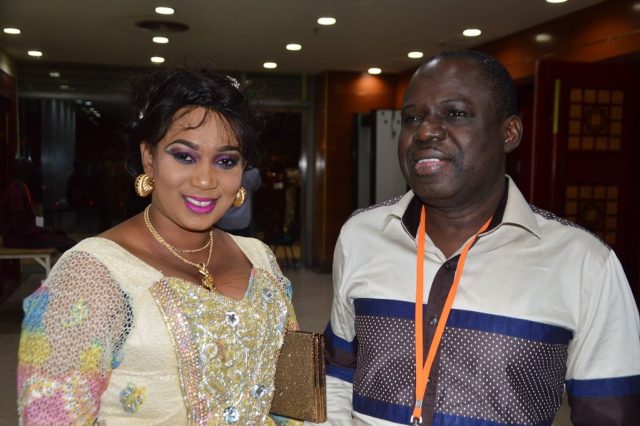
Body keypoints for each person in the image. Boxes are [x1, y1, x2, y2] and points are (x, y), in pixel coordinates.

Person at [323, 50, 640, 425]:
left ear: (509, 133)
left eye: (455, 114)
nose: (424, 131)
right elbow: (337, 372)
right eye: (412, 118)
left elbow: (609, 415)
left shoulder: (584, 262)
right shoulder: (361, 236)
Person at [17, 66, 301, 425]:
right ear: (149, 158)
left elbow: (293, 396)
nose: (205, 180)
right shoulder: (90, 274)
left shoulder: (259, 257)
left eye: (226, 161)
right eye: (184, 156)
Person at [0, 157, 76, 252]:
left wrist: (44, 229)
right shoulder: (15, 192)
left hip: (24, 235)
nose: (33, 172)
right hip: (18, 239)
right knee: (68, 243)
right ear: (24, 172)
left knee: (62, 237)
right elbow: (20, 225)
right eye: (30, 169)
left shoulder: (21, 188)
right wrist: (42, 230)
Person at [217, 166, 262, 237]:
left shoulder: (221, 168)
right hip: (242, 220)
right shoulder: (253, 172)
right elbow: (257, 186)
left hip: (223, 219)